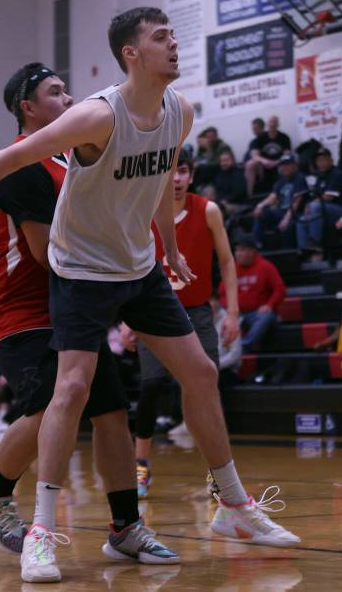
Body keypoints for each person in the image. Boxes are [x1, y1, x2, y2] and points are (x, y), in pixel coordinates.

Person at [0, 11, 298, 583]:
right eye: (161, 38)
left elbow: (155, 182)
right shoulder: (90, 121)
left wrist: (171, 246)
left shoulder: (178, 111)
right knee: (70, 390)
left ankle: (224, 508)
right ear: (130, 54)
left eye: (174, 35)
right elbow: (11, 166)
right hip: (67, 278)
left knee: (192, 376)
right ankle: (37, 529)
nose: (174, 44)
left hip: (137, 266)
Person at [134, 147, 240, 499]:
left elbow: (226, 262)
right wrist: (126, 317)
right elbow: (131, 265)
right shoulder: (145, 210)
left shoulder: (207, 211)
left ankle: (217, 473)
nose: (175, 179)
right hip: (154, 313)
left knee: (206, 388)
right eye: (169, 172)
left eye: (181, 171)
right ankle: (141, 466)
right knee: (150, 386)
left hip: (196, 312)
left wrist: (234, 313)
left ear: (190, 176)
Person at [222, 234, 287, 352]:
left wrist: (269, 305)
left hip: (256, 313)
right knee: (219, 315)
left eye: (242, 250)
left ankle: (244, 346)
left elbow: (280, 289)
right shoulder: (232, 269)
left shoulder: (265, 267)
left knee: (265, 317)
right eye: (236, 250)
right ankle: (220, 349)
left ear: (252, 252)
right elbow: (222, 293)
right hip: (237, 314)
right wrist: (230, 309)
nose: (238, 254)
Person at [296, 147, 342, 258]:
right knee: (301, 219)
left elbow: (328, 197)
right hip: (324, 212)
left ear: (331, 160)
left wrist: (310, 205)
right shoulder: (318, 176)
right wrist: (307, 205)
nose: (322, 163)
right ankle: (304, 249)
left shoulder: (337, 174)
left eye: (324, 159)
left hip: (341, 211)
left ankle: (315, 242)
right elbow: (314, 196)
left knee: (315, 207)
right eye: (319, 160)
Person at [252, 154, 308, 249]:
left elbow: (297, 202)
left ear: (295, 166)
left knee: (288, 226)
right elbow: (273, 197)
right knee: (262, 213)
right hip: (281, 211)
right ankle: (256, 244)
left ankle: (288, 253)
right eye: (283, 165)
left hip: (295, 213)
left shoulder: (300, 178)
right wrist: (260, 205)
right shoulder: (281, 180)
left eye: (288, 165)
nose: (285, 168)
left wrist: (286, 219)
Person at [244, 116, 291, 197]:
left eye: (274, 122)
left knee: (286, 164)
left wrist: (276, 162)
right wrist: (265, 161)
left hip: (279, 163)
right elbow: (254, 156)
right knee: (250, 164)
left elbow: (287, 155)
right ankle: (249, 196)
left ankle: (284, 194)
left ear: (278, 124)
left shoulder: (284, 137)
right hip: (263, 165)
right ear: (267, 124)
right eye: (271, 123)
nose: (272, 125)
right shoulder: (259, 139)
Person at [212, 149, 248, 216]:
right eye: (222, 161)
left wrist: (226, 200)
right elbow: (218, 190)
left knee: (218, 209)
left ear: (232, 160)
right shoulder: (220, 175)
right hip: (221, 203)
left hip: (237, 204)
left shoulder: (238, 173)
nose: (223, 163)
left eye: (226, 160)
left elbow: (239, 192)